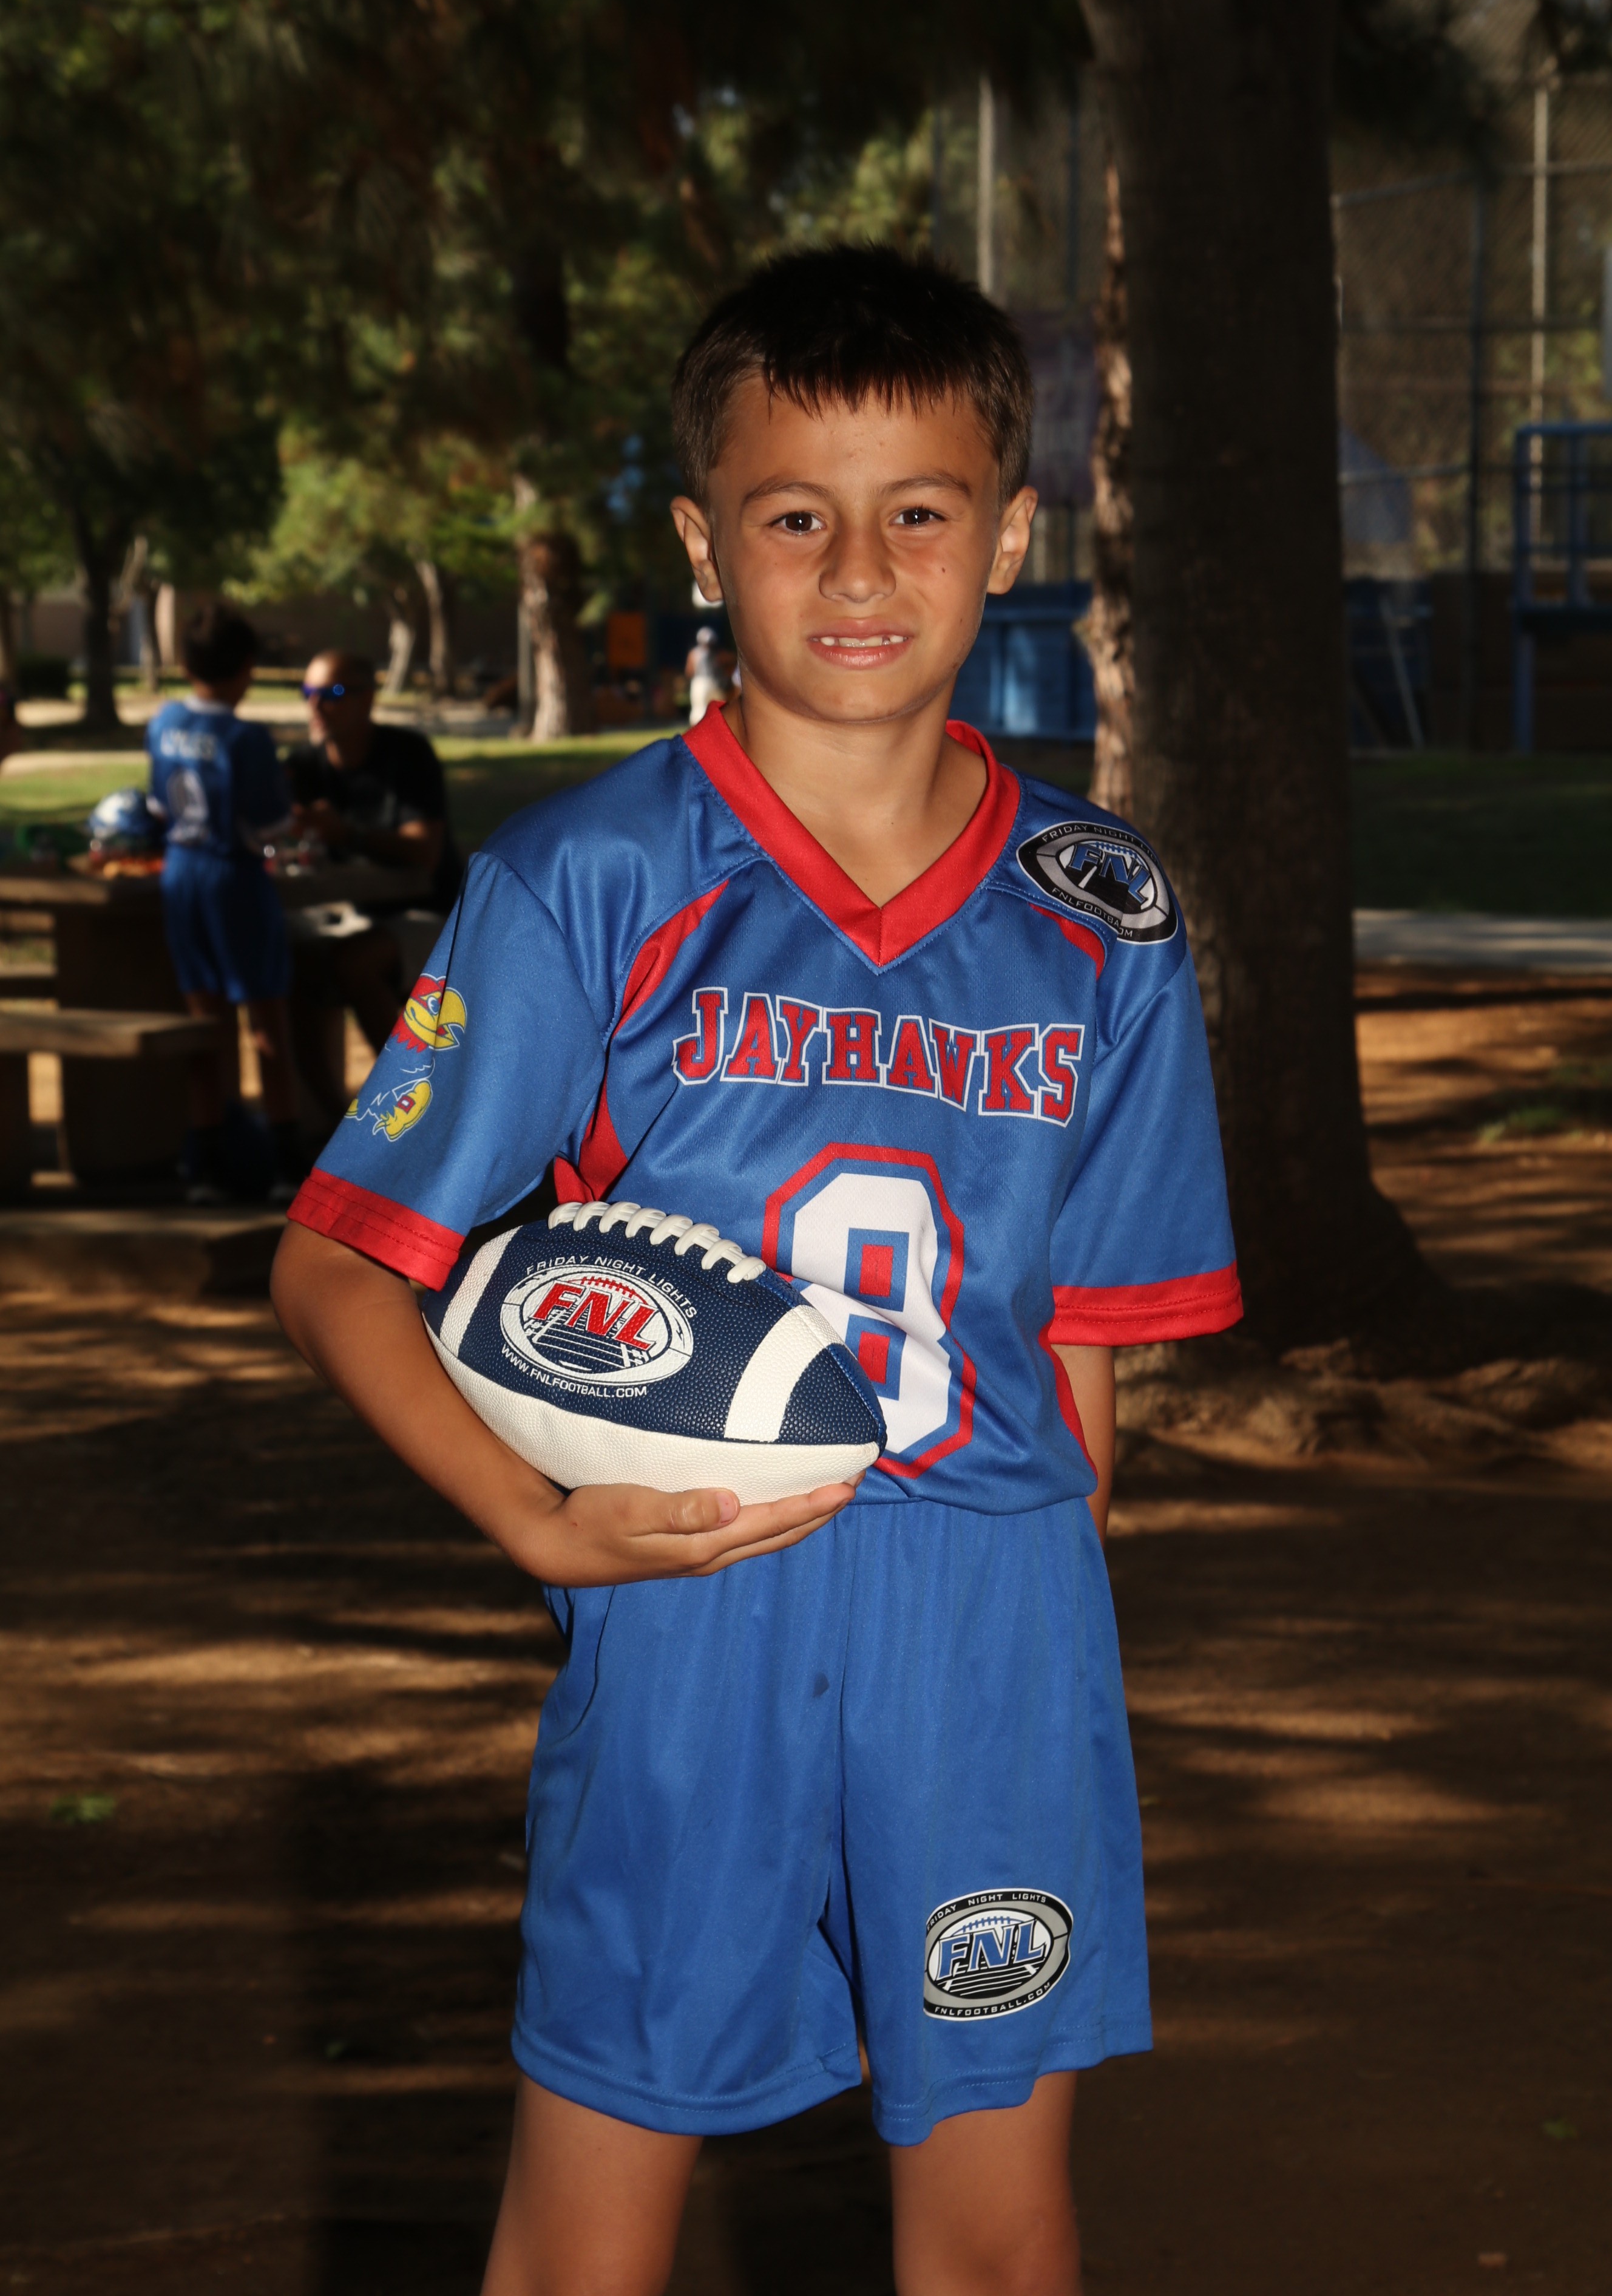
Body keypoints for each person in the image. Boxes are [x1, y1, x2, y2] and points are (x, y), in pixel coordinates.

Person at [272, 245, 1242, 2296]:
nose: (861, 568)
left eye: (921, 510)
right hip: (689, 1614)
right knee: (588, 2231)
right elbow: (339, 1269)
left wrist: (1030, 1634)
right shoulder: (590, 875)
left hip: (991, 1633)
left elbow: (1085, 1358)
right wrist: (538, 1519)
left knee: (997, 2238)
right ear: (705, 543)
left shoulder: (1104, 912)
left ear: (1011, 530)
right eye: (796, 516)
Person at [147, 603, 302, 1203]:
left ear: (186, 665)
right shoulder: (245, 737)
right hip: (232, 877)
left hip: (180, 873)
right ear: (247, 668)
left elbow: (157, 805)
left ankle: (207, 1164)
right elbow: (270, 824)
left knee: (205, 1020)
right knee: (266, 1022)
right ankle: (287, 1162)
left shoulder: (163, 722)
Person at [285, 651, 464, 1116]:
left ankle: (416, 1109)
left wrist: (346, 834)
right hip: (354, 910)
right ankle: (333, 1123)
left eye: (333, 693)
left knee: (354, 962)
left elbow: (425, 851)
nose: (316, 705)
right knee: (293, 963)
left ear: (368, 699)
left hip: (435, 915)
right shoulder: (303, 767)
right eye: (308, 693)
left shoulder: (407, 755)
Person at [683, 623, 728, 725]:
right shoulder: (716, 654)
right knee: (715, 707)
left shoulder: (694, 653)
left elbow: (689, 671)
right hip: (712, 682)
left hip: (700, 682)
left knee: (699, 709)